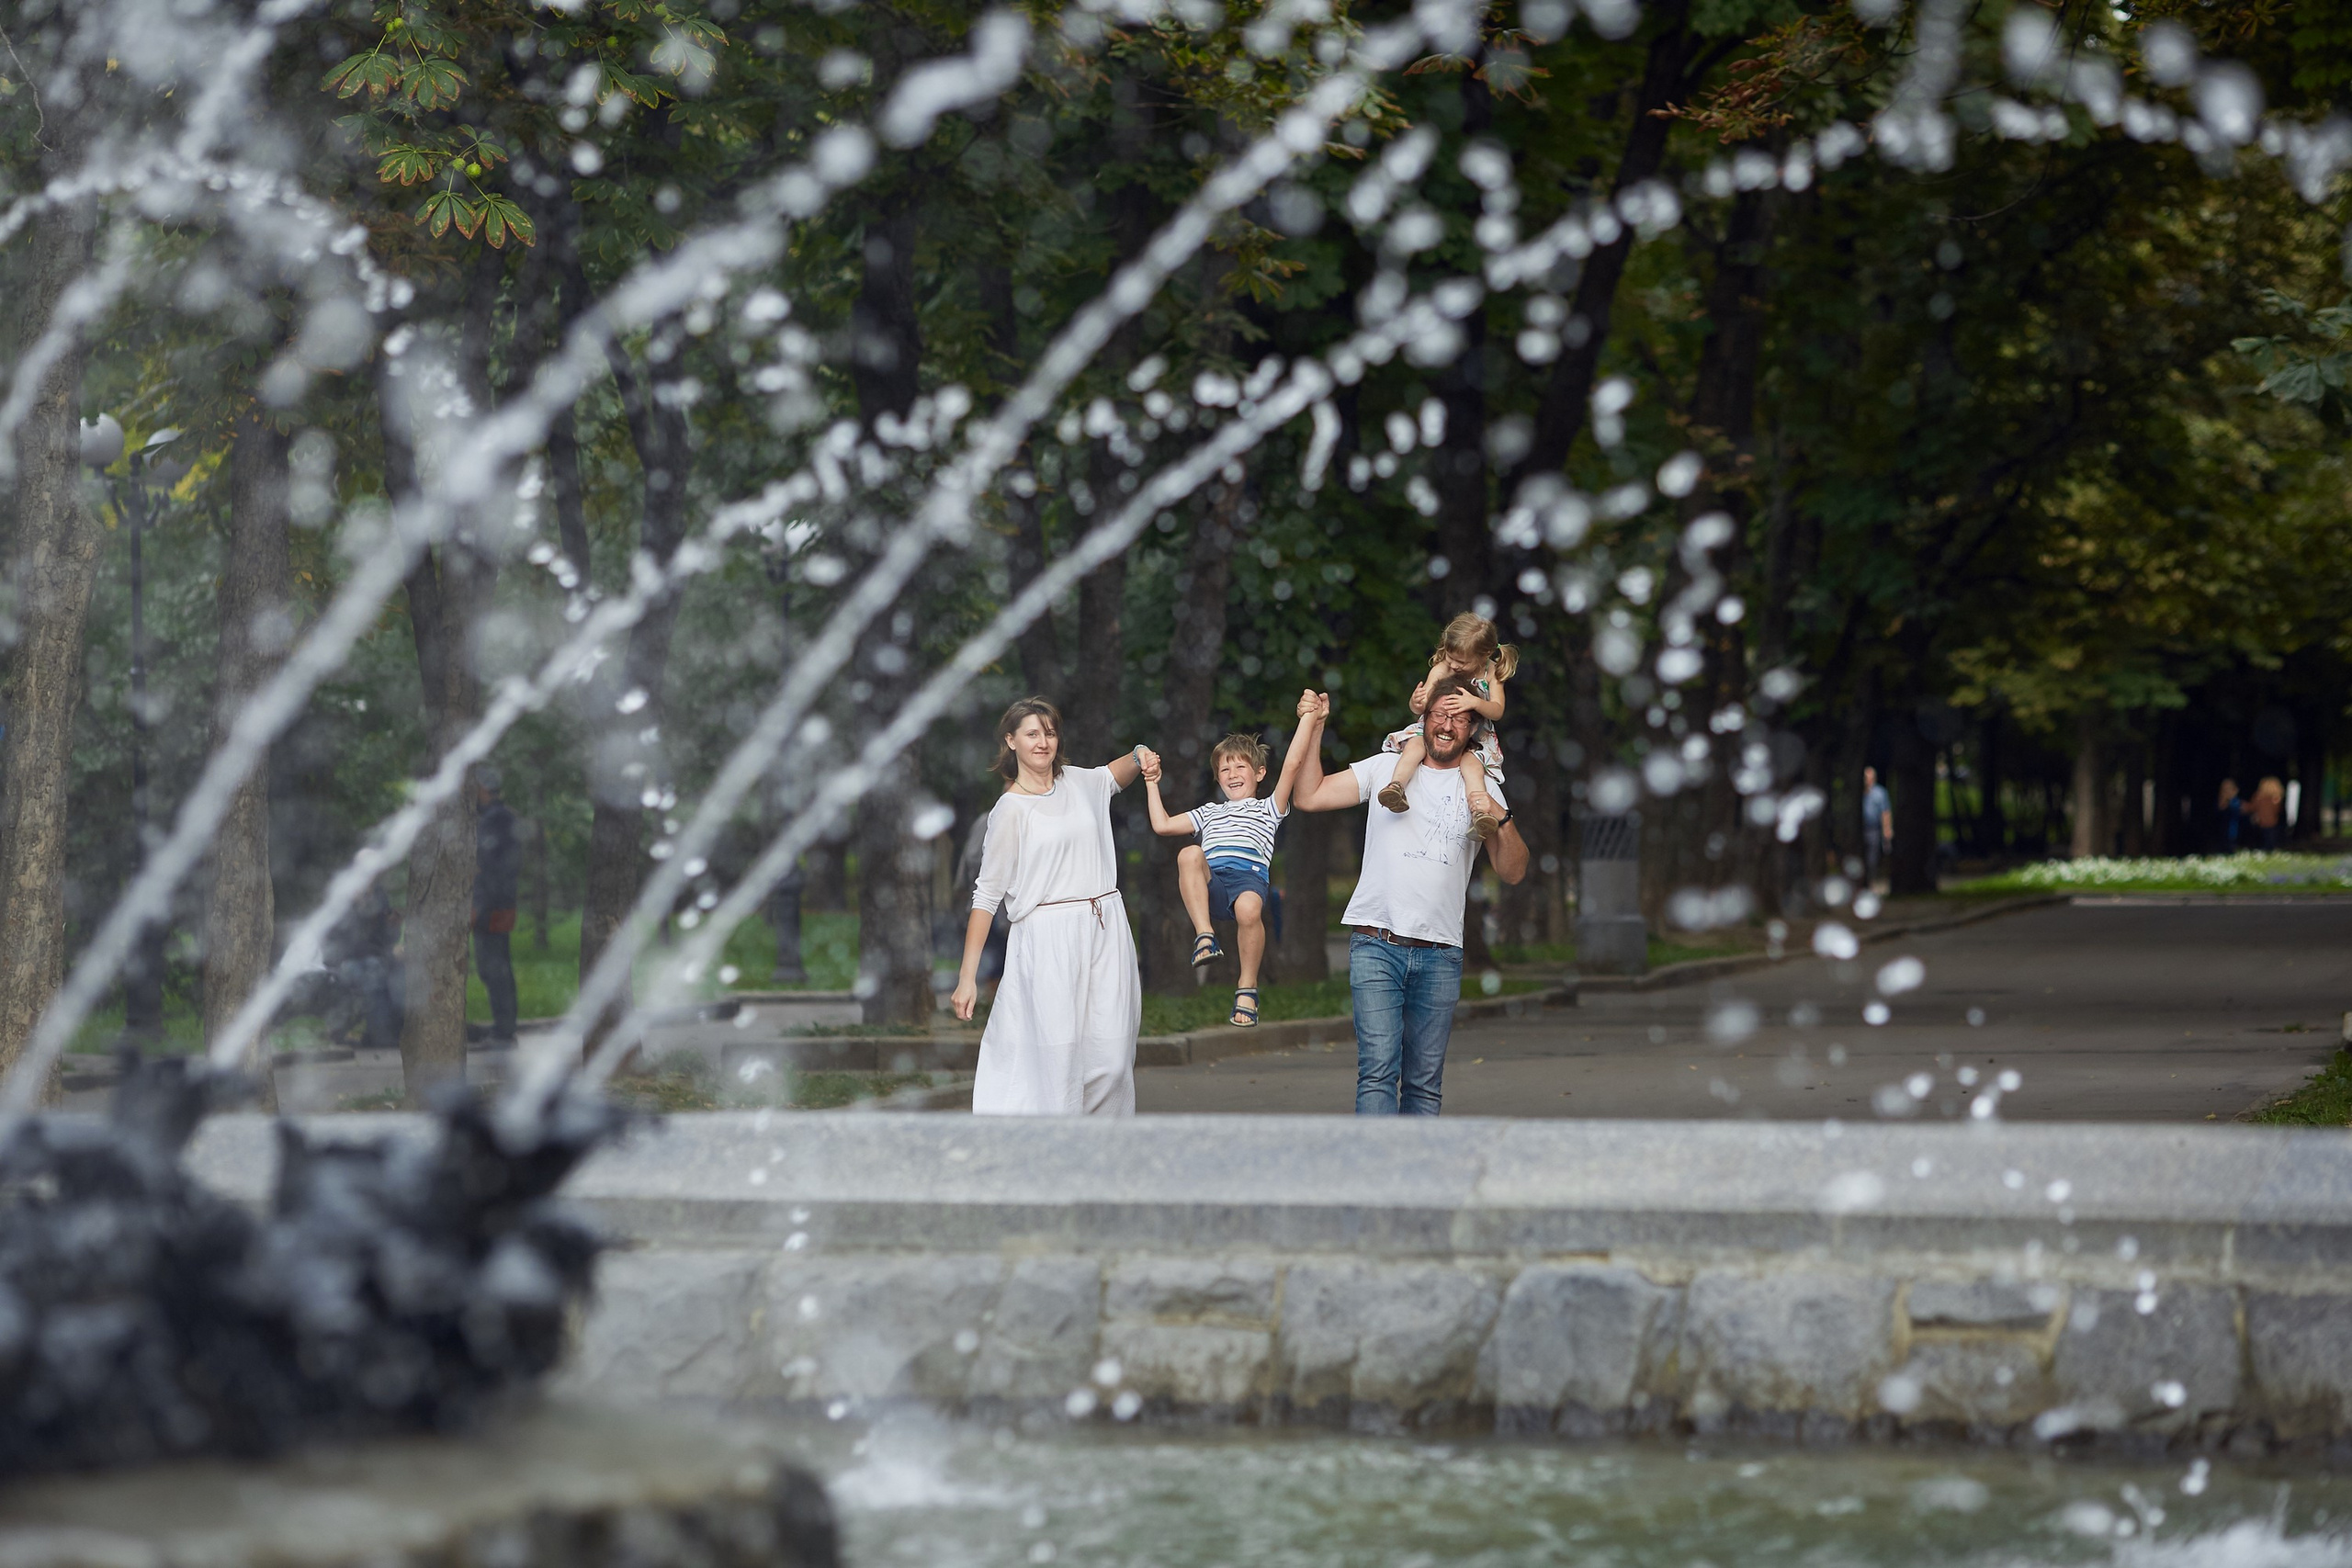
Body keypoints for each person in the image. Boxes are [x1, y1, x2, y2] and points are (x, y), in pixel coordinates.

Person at [1291, 682, 1529, 1115]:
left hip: (1441, 954)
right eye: (1439, 713)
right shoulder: (1387, 767)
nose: (1447, 724)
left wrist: (1502, 816)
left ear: (1472, 728)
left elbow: (1513, 872)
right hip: (1376, 944)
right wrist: (1316, 728)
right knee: (1378, 1071)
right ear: (1423, 719)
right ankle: (1381, 1178)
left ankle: (1416, 1178)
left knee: (1424, 1084)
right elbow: (1310, 796)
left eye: (1459, 717)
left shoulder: (1483, 789)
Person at [952, 697, 1150, 1116]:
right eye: (1032, 734)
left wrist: (1139, 755)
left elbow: (1117, 774)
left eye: (1050, 732)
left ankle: (1099, 1149)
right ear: (1011, 741)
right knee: (1057, 1064)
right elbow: (986, 897)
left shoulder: (1080, 782)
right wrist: (968, 977)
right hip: (1046, 938)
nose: (1043, 742)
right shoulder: (1009, 810)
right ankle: (1056, 1153)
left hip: (1105, 927)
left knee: (1113, 1062)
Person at [1140, 712, 1324, 1029]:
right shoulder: (1209, 812)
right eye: (1224, 769)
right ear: (1218, 778)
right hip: (1213, 881)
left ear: (1260, 773)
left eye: (1240, 766)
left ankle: (1247, 989)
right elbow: (1163, 824)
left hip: (1248, 878)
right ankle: (1205, 936)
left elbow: (1293, 764)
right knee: (1189, 853)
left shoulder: (1269, 808)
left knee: (1249, 908)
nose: (1232, 773)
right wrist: (1151, 783)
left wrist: (1308, 718)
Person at [1376, 613, 1517, 841]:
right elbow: (1422, 707)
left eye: (1461, 662)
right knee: (1415, 745)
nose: (1453, 664)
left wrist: (1475, 703)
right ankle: (1396, 787)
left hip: (1476, 735)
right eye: (1451, 657)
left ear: (1484, 656)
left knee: (1472, 766)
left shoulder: (1492, 673)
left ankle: (1480, 814)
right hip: (1438, 728)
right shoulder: (1442, 670)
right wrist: (1416, 702)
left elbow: (1498, 710)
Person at [472, 766, 521, 1045]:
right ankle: (504, 1026)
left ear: (482, 788)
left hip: (492, 905)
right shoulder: (502, 817)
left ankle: (505, 1029)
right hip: (498, 903)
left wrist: (479, 904)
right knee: (494, 966)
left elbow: (487, 866)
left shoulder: (494, 819)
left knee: (495, 968)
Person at [1860, 766, 1893, 888]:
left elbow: (1885, 812)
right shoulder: (1859, 792)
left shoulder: (1880, 793)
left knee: (1872, 858)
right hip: (1860, 830)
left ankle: (1871, 882)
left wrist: (1887, 829)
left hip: (1873, 829)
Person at [2250, 776, 2286, 851]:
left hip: (2261, 821)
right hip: (2271, 821)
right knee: (2269, 836)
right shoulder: (2275, 799)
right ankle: (2268, 848)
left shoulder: (2259, 797)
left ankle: (2264, 847)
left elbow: (2253, 807)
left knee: (2264, 835)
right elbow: (2278, 810)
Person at [2217, 778, 2246, 852]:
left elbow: (2241, 814)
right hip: (2224, 834)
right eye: (2225, 789)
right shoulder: (2221, 803)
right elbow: (2218, 817)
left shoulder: (2237, 802)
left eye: (2230, 788)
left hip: (2237, 831)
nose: (2228, 791)